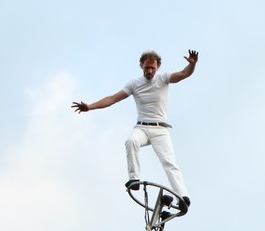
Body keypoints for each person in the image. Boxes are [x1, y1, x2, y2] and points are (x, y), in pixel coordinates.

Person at [72, 50, 198, 209]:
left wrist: (192, 64)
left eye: (152, 68)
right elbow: (112, 99)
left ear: (158, 66)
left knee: (169, 162)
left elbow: (183, 74)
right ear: (141, 66)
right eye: (147, 68)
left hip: (160, 130)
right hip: (142, 127)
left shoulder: (163, 78)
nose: (150, 71)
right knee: (131, 141)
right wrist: (89, 107)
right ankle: (134, 179)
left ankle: (183, 195)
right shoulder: (134, 84)